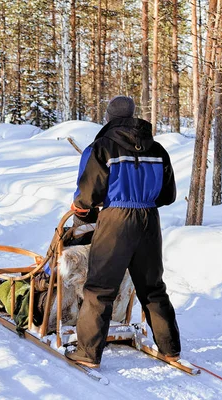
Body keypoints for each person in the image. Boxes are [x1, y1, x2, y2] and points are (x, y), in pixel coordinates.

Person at [65, 95, 180, 368]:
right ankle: (170, 349)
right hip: (150, 221)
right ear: (133, 115)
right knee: (152, 288)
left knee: (99, 288)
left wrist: (82, 210)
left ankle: (88, 353)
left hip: (116, 220)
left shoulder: (103, 147)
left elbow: (88, 194)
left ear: (108, 117)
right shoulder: (158, 149)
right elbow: (169, 194)